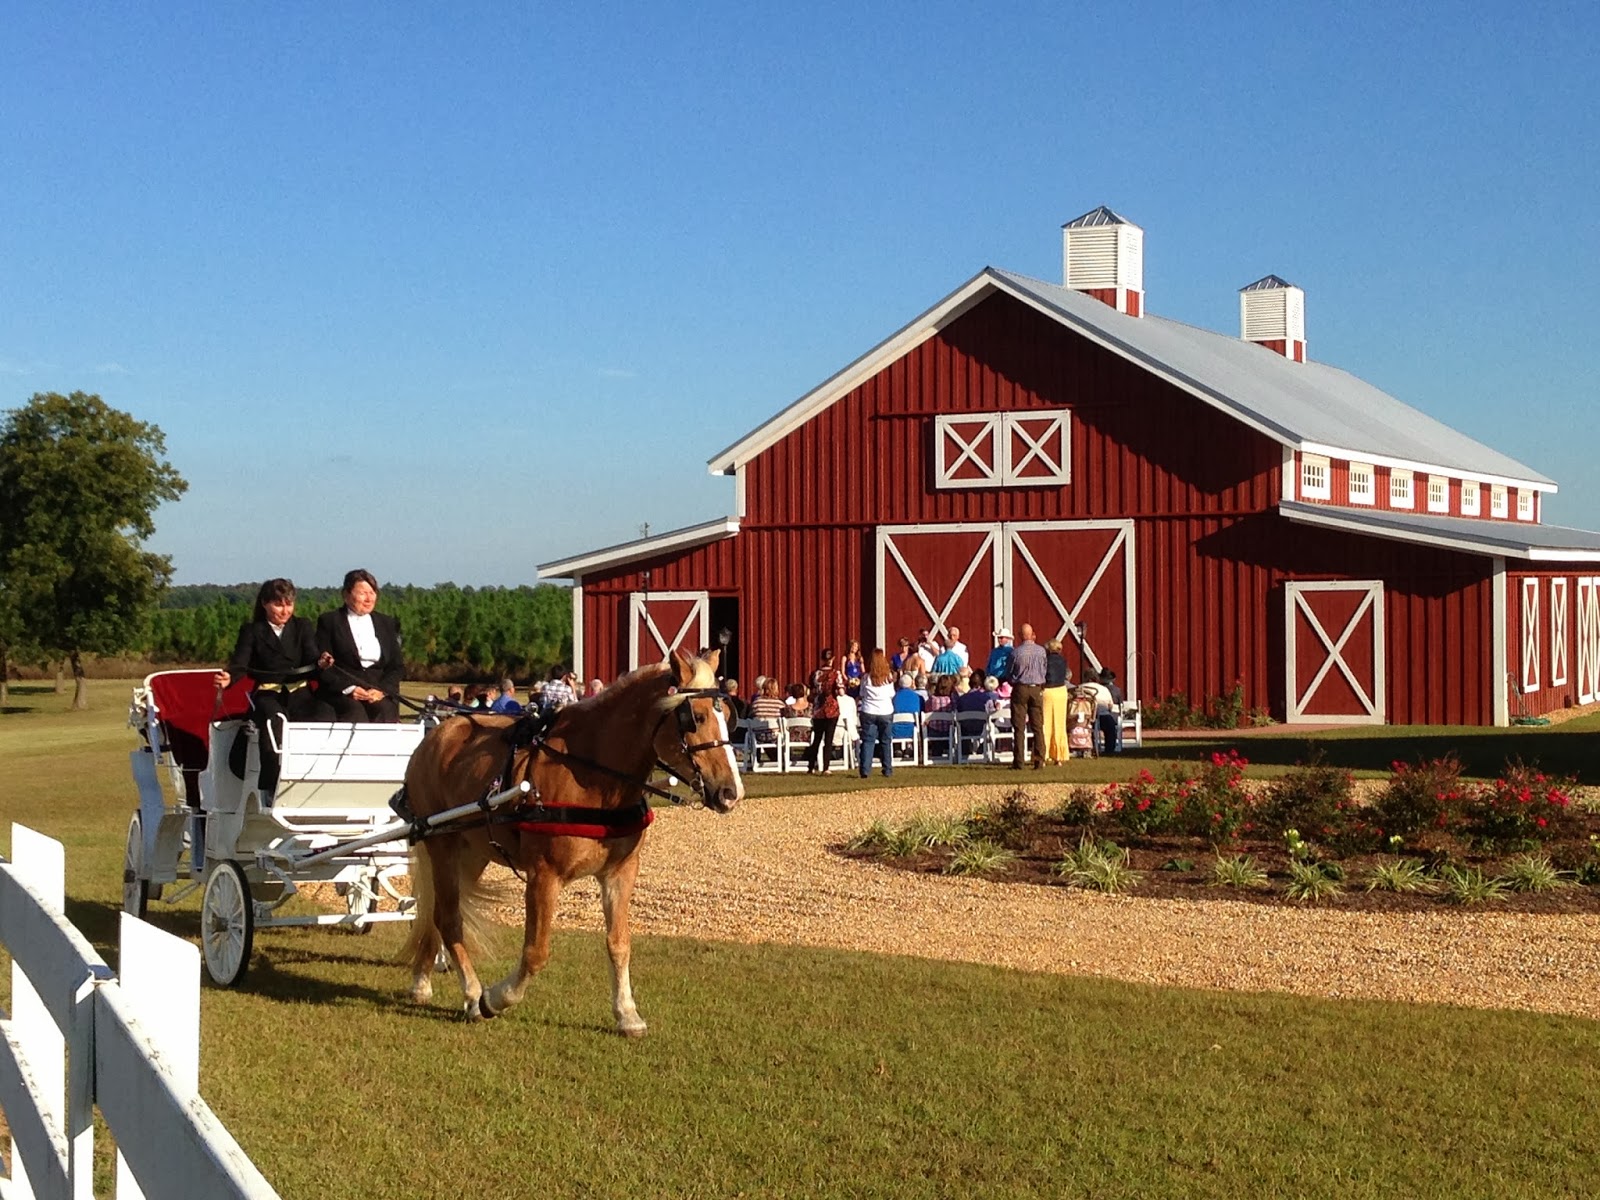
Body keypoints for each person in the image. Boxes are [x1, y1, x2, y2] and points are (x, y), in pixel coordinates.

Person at [214, 578, 332, 798]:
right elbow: (240, 663)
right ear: (265, 604)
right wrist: (229, 678)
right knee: (274, 720)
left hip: (300, 693)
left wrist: (322, 662)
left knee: (325, 712)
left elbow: (313, 656)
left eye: (289, 604)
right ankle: (271, 785)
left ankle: (318, 778)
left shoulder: (302, 626)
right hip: (268, 694)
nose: (285, 610)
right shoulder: (252, 630)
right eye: (279, 604)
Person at [316, 569, 403, 722]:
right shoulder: (329, 621)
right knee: (354, 712)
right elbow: (324, 666)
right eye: (363, 593)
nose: (369, 598)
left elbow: (397, 667)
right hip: (343, 692)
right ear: (346, 595)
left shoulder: (387, 623)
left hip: (377, 690)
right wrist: (350, 689)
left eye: (372, 592)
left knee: (385, 710)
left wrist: (381, 690)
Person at [1008, 623, 1047, 769]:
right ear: (1032, 634)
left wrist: (1013, 680)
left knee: (1019, 727)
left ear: (1020, 636)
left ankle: (1019, 761)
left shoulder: (1015, 653)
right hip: (1036, 688)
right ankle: (1039, 759)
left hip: (1021, 688)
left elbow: (1009, 672)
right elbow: (1044, 669)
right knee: (1037, 726)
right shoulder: (1041, 651)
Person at [856, 650, 896, 778]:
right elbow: (892, 694)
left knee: (868, 741)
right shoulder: (888, 677)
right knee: (885, 741)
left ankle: (865, 770)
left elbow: (862, 694)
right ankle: (887, 769)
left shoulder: (866, 678)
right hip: (885, 711)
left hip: (869, 710)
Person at [806, 649, 843, 774]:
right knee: (828, 739)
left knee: (816, 739)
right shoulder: (835, 673)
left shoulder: (816, 674)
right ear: (832, 659)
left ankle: (811, 766)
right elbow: (840, 691)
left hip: (818, 709)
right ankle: (826, 767)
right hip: (831, 708)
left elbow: (811, 690)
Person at [1041, 638, 1072, 766]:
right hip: (1061, 691)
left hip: (1048, 690)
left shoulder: (1045, 660)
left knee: (1045, 723)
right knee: (1059, 724)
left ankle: (1044, 754)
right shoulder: (1063, 660)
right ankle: (1059, 756)